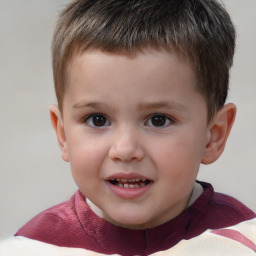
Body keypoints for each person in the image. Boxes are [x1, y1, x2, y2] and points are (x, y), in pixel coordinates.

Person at [10, 0, 256, 255]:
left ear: (213, 136)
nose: (125, 149)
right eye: (98, 119)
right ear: (63, 135)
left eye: (158, 120)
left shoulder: (242, 239)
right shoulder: (36, 247)